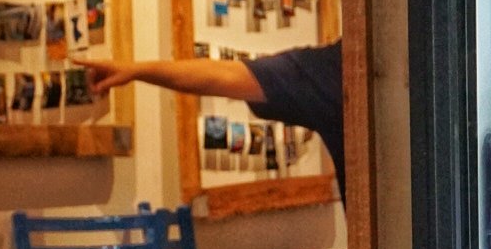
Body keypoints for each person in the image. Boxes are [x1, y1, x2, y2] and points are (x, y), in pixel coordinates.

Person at [72, 40, 345, 203]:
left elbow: (227, 75)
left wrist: (137, 70)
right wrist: (137, 70)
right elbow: (226, 75)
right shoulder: (336, 68)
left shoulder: (334, 68)